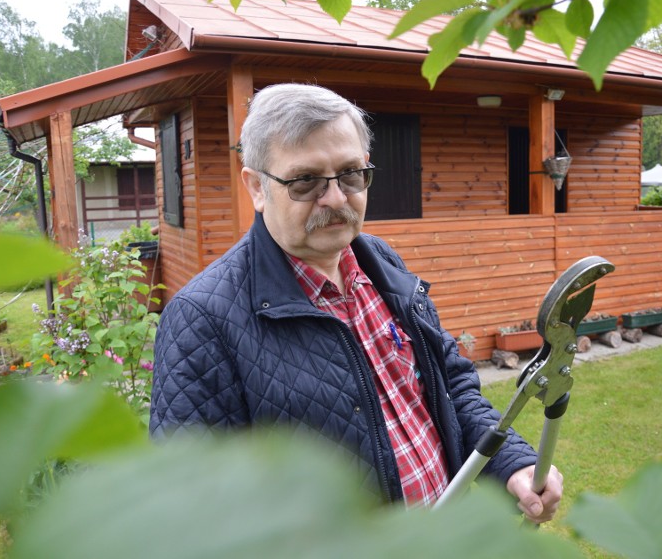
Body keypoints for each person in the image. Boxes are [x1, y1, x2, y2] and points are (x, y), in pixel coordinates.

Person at [150, 83, 563, 520]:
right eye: (306, 181)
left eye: (350, 174)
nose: (335, 198)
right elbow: (194, 507)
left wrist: (512, 460)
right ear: (256, 187)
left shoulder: (381, 263)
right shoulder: (203, 320)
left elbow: (451, 385)